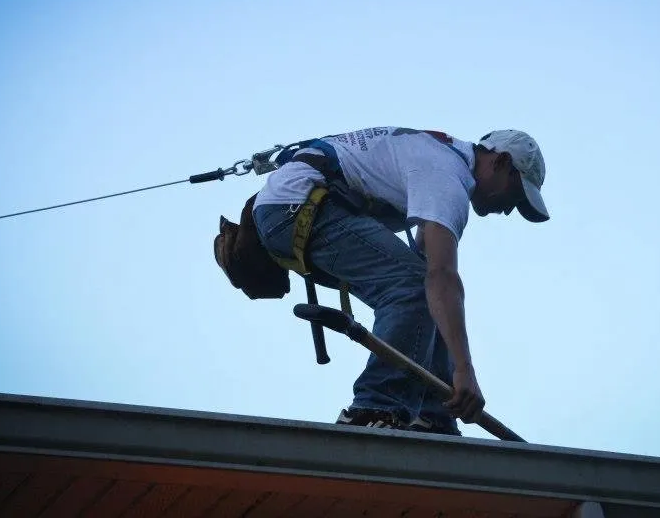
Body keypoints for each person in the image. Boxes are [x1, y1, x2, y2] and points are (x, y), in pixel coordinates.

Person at [216, 127, 549, 435]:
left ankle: (431, 413)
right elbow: (440, 277)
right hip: (297, 207)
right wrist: (464, 370)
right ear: (501, 162)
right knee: (416, 287)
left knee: (422, 288)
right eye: (516, 195)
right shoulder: (446, 175)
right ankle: (375, 408)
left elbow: (430, 272)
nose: (510, 210)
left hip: (289, 210)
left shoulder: (441, 158)